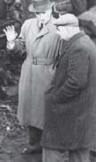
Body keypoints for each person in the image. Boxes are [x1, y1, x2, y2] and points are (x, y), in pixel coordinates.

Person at [4, 0, 61, 155]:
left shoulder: (58, 27)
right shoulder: (28, 25)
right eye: (37, 13)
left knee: (47, 109)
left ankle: (51, 145)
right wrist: (11, 43)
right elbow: (21, 47)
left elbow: (65, 54)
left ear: (50, 10)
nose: (41, 16)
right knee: (31, 108)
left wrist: (59, 75)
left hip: (48, 71)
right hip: (29, 71)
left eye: (44, 12)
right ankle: (34, 143)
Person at [41, 14, 96, 162]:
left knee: (51, 145)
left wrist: (55, 97)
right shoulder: (83, 42)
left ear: (67, 29)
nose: (57, 34)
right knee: (79, 150)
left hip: (72, 110)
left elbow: (76, 82)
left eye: (58, 30)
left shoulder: (79, 48)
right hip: (82, 111)